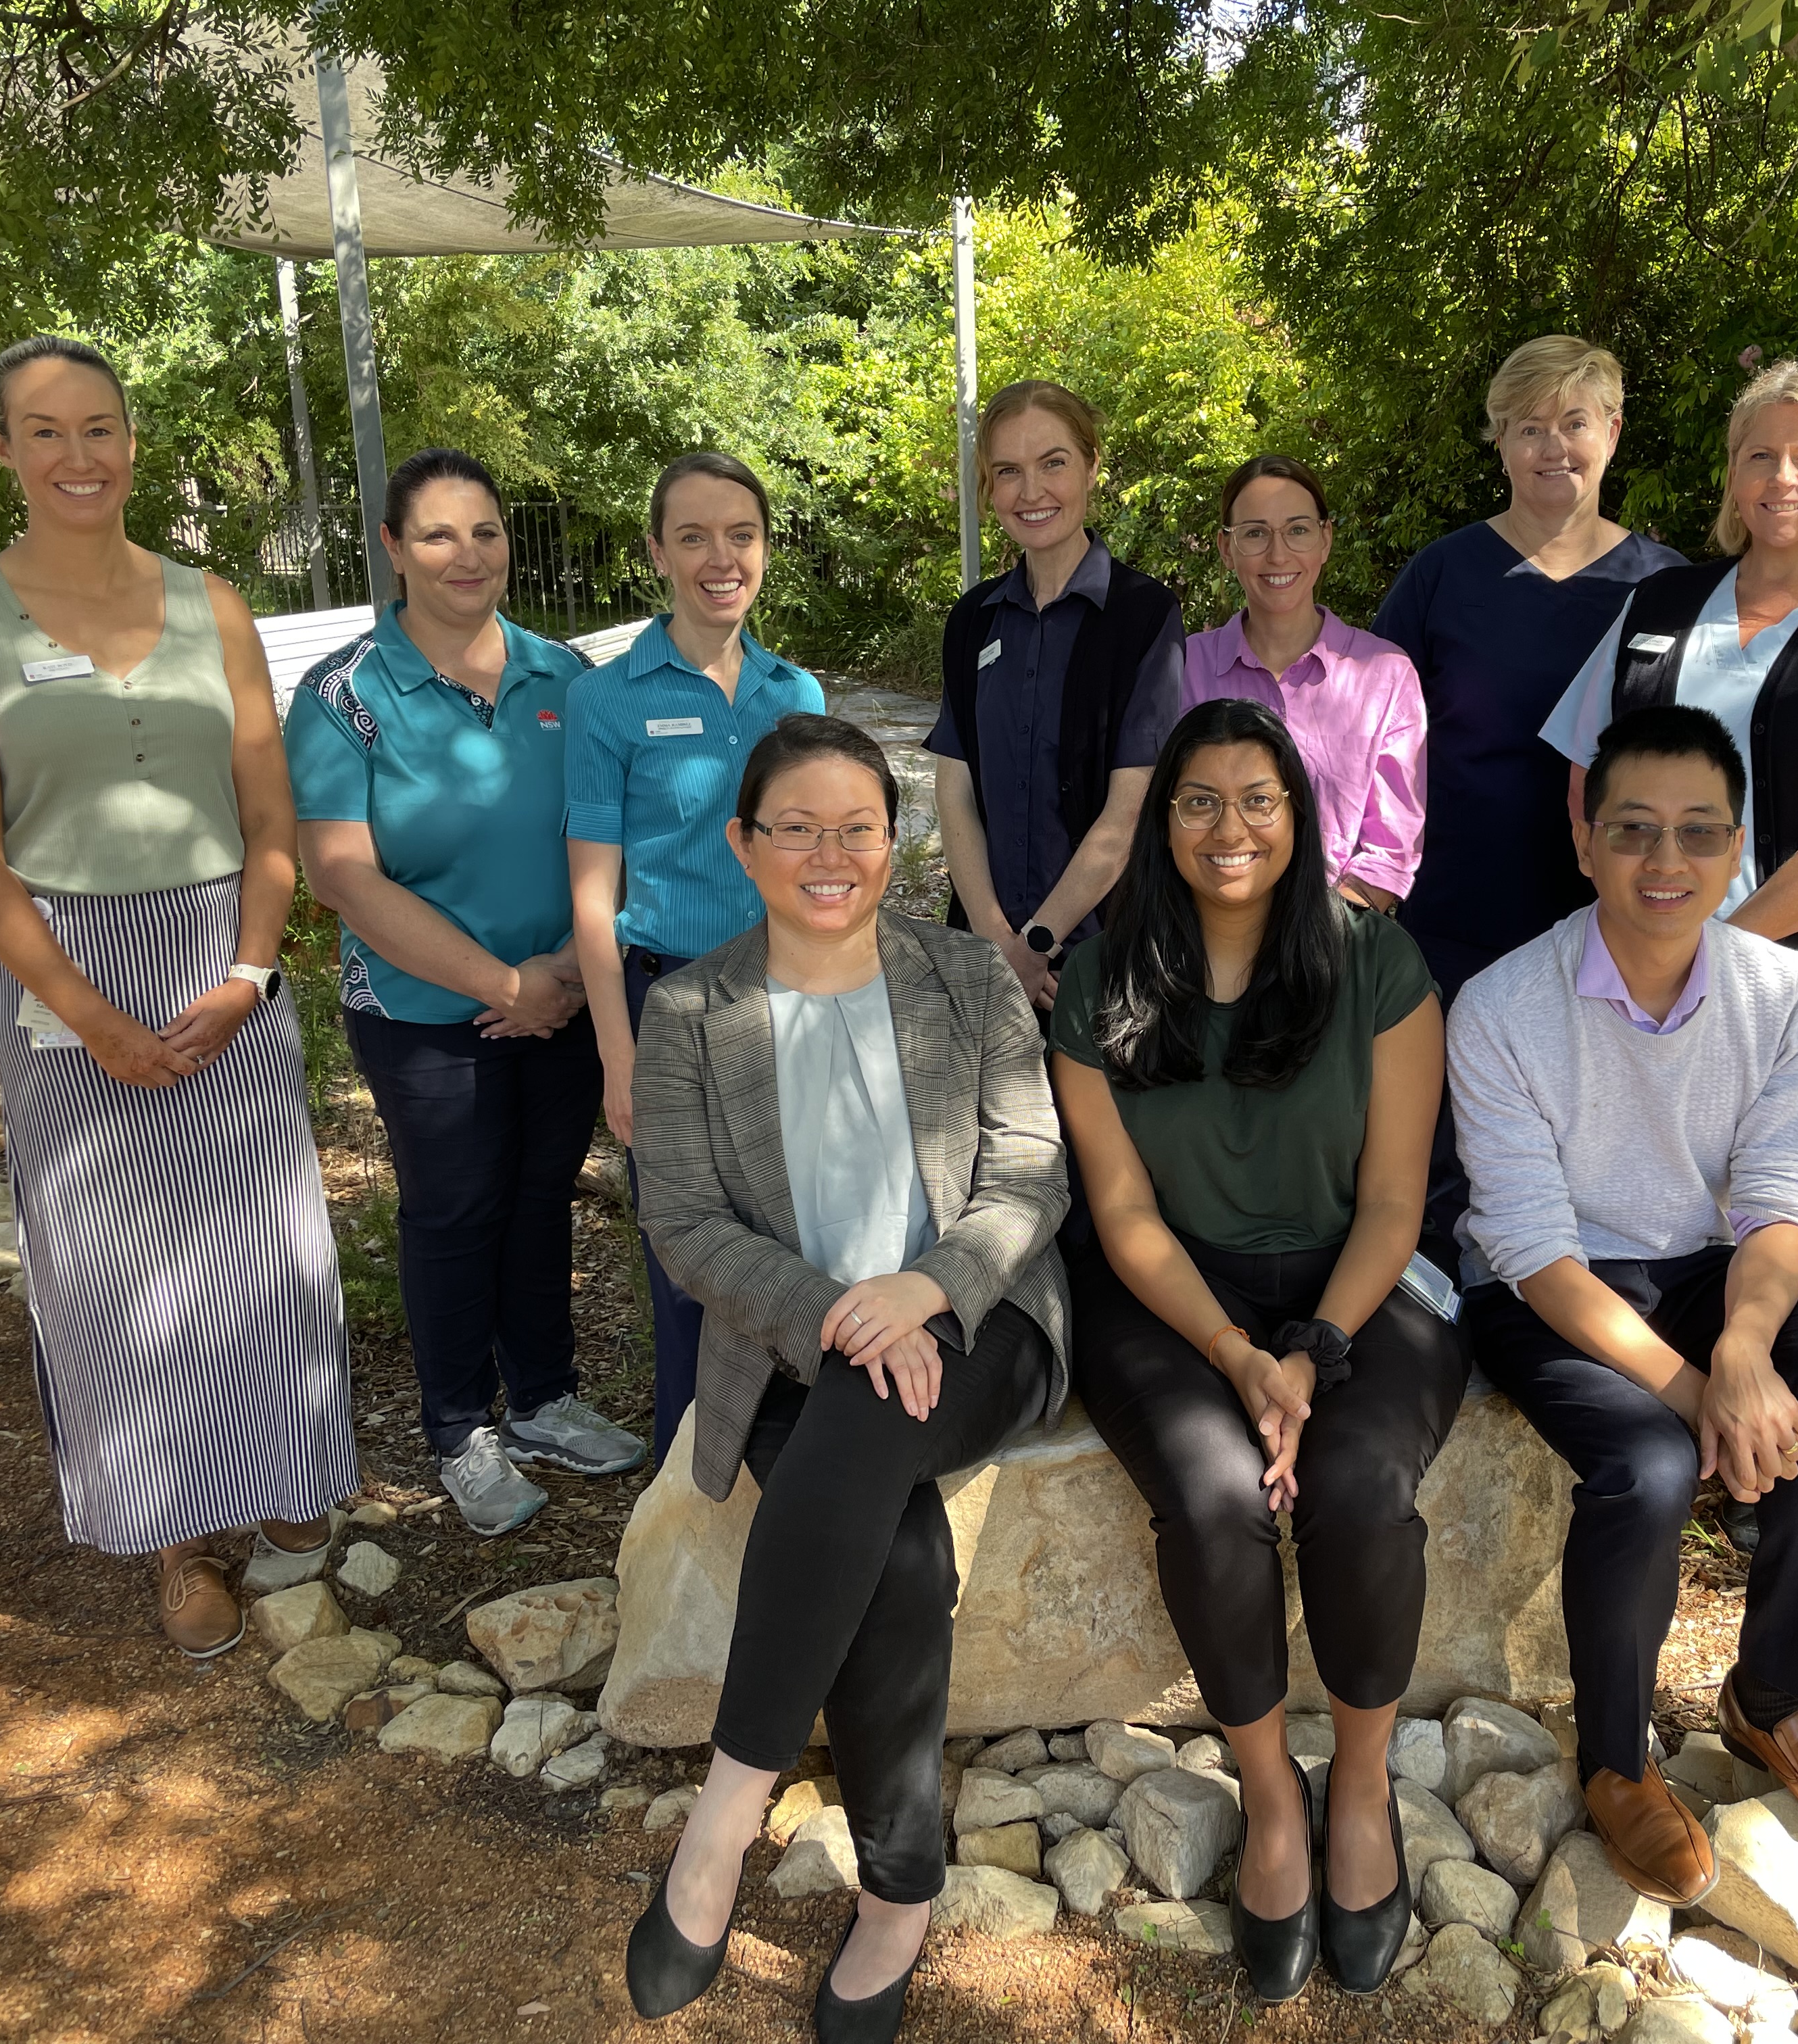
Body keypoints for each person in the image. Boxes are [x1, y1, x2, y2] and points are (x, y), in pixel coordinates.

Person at [0, 335, 358, 1657]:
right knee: (115, 1267)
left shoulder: (208, 602)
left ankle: (279, 1474)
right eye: (43, 432)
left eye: (98, 427)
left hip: (222, 959)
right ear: (2, 450)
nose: (77, 456)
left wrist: (247, 969)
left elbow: (269, 813)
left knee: (262, 1246)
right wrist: (87, 1010)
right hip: (67, 978)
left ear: (133, 441)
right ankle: (177, 1538)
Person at [622, 714, 1070, 2043]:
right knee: (902, 1558)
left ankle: (722, 1824)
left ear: (895, 842)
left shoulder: (965, 980)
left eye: (858, 829)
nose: (830, 855)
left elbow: (1030, 1171)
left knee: (875, 1425)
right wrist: (841, 1314)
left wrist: (922, 1292)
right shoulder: (691, 1008)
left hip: (981, 1319)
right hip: (789, 1347)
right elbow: (688, 1226)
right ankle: (898, 1896)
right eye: (796, 829)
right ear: (743, 846)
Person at [1449, 704, 1798, 1907]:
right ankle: (1614, 1755)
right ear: (1585, 838)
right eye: (1634, 830)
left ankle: (1774, 1696)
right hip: (1546, 1285)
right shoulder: (1502, 1004)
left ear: (1738, 845)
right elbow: (1529, 1239)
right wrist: (1692, 1389)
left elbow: (1777, 1189)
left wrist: (1746, 1347)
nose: (1665, 862)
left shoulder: (1782, 990)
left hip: (1711, 1266)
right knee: (1651, 1464)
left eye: (1697, 833)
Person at [1052, 697, 1467, 1999]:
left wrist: (1318, 1348)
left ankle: (1356, 1778)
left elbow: (1397, 1202)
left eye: (1259, 798)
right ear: (1160, 819)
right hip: (1168, 1295)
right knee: (1216, 1492)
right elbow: (1121, 1216)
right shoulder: (1101, 979)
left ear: (1299, 814)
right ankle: (1267, 1787)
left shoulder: (1376, 962)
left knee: (1353, 1489)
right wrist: (1242, 1357)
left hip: (1358, 1278)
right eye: (1198, 800)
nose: (1229, 826)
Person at [288, 447, 647, 1538]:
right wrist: (500, 981)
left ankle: (540, 1396)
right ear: (393, 549)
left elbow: (614, 828)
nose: (467, 554)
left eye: (484, 531)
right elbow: (341, 873)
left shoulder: (568, 679)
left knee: (541, 1198)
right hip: (423, 1014)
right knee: (454, 1211)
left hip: (566, 1002)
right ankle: (457, 1425)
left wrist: (567, 981)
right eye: (438, 534)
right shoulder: (343, 695)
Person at [1544, 358, 1798, 1146]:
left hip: (1792, 986)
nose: (1784, 478)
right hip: (1629, 970)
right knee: (1620, 1195)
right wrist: (1631, 918)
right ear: (1735, 476)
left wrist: (1712, 955)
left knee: (1755, 1223)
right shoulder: (1661, 600)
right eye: (1760, 456)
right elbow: (1586, 766)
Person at [566, 452, 823, 1467]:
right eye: (694, 536)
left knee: (794, 1237)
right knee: (686, 1258)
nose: (722, 558)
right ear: (656, 553)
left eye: (742, 535)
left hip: (789, 996)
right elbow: (593, 892)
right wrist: (616, 1053)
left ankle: (796, 1466)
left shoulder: (793, 690)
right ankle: (688, 1488)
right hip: (668, 997)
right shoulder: (608, 701)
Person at [1374, 335, 1686, 1000]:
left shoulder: (1668, 591)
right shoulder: (1441, 576)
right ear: (1500, 442)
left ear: (1613, 430)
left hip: (1620, 931)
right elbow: (1369, 746)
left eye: (1574, 423)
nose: (1553, 448)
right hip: (1453, 933)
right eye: (1530, 429)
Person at [928, 380, 1185, 1011]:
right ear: (989, 489)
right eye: (1008, 471)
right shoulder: (972, 620)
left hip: (1095, 961)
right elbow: (954, 790)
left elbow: (1127, 816)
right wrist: (994, 941)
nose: (1031, 491)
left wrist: (1036, 942)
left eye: (1053, 463)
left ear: (1093, 465)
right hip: (983, 961)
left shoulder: (1143, 615)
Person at [1181, 454, 1425, 911]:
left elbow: (1390, 853)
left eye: (1297, 530)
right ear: (1226, 548)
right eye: (1255, 533)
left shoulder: (1386, 675)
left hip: (1338, 946)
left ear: (1325, 539)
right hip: (1199, 945)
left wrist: (1318, 938)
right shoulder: (1181, 669)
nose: (1278, 555)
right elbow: (1158, 818)